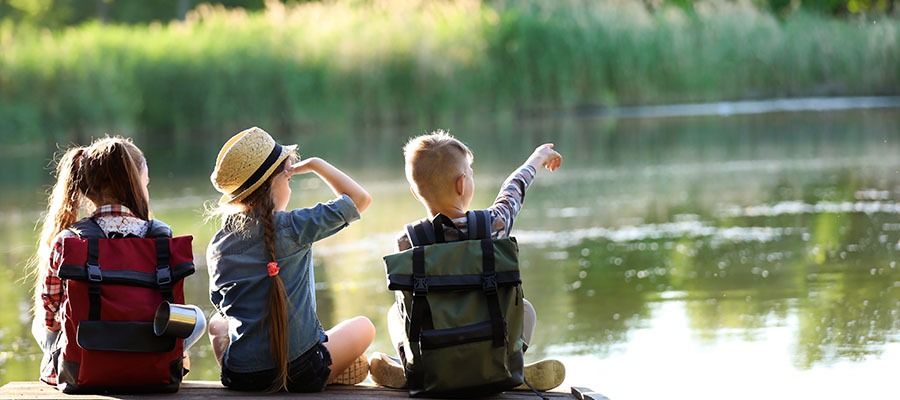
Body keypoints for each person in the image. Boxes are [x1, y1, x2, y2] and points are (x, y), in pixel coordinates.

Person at [369, 129, 566, 391]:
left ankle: (413, 370)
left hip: (434, 357)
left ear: (416, 194)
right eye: (471, 174)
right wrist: (537, 158)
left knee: (396, 313)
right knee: (525, 309)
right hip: (489, 345)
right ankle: (507, 365)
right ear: (462, 184)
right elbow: (513, 191)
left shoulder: (408, 241)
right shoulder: (493, 225)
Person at [206, 127, 375, 393]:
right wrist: (317, 165)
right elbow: (360, 199)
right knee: (365, 327)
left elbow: (222, 305)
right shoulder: (294, 226)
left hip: (240, 376)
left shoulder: (218, 243)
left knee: (216, 324)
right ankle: (329, 372)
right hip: (303, 371)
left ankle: (289, 373)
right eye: (288, 179)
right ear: (275, 183)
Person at [30, 135, 202, 385]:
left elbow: (50, 309)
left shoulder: (69, 241)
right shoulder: (161, 238)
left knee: (40, 324)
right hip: (151, 350)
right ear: (135, 185)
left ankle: (56, 367)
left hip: (86, 363)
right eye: (146, 182)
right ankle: (172, 361)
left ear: (88, 190)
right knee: (196, 317)